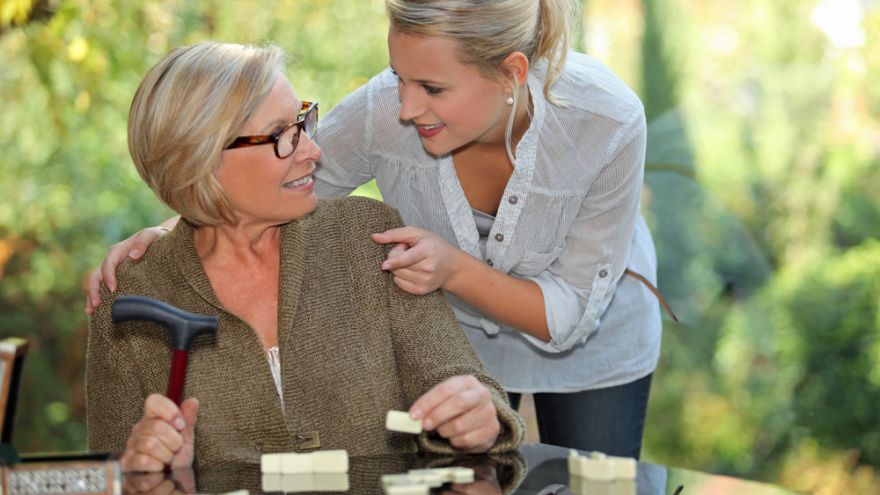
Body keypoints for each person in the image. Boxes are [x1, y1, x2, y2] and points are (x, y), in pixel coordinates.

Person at [87, 0, 662, 458]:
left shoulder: (604, 120)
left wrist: (455, 269)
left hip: (588, 330)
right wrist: (167, 235)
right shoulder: (384, 110)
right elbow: (276, 178)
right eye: (398, 77)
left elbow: (567, 313)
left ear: (510, 73)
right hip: (456, 333)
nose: (406, 107)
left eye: (432, 88)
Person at [86, 41, 525, 473]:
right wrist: (145, 474)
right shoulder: (131, 294)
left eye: (303, 123)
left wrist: (479, 419)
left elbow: (468, 388)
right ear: (199, 159)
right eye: (281, 136)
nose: (313, 152)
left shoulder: (367, 239)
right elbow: (112, 468)